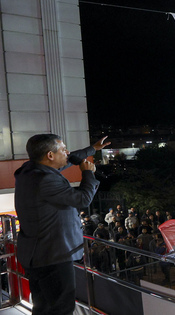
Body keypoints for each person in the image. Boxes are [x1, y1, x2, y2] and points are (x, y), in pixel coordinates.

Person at [15, 134, 109, 315]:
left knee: (43, 306)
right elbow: (83, 199)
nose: (67, 152)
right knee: (61, 307)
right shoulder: (46, 180)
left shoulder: (29, 170)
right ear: (50, 155)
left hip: (36, 253)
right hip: (54, 255)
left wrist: (92, 149)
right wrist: (88, 172)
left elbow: (66, 160)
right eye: (63, 149)